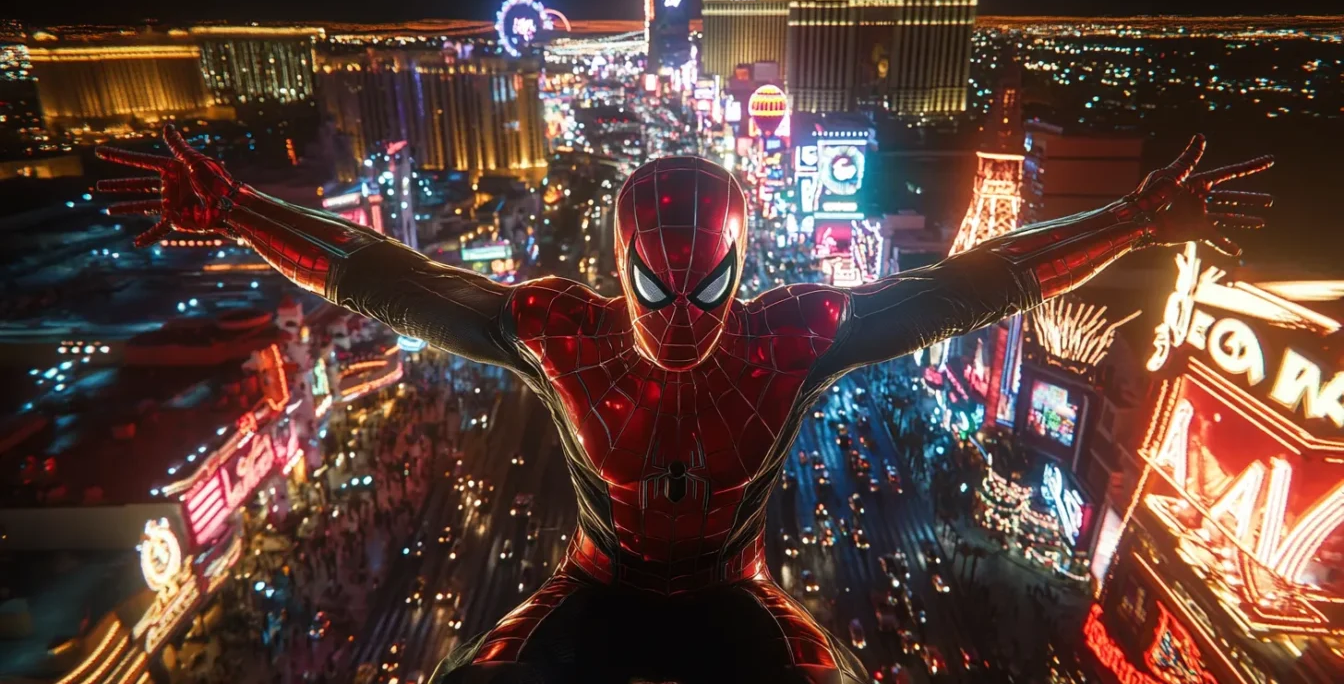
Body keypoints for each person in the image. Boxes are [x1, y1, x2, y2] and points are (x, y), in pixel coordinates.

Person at [97, 128, 1272, 684]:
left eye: (707, 282)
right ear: (618, 270)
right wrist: (242, 208)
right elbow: (391, 279)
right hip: (596, 584)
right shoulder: (565, 332)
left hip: (734, 595)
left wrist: (1133, 219)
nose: (680, 312)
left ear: (742, 265)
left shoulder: (788, 335)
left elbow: (974, 282)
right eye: (654, 285)